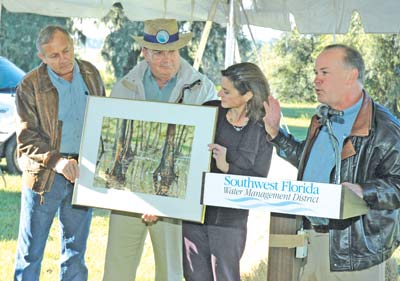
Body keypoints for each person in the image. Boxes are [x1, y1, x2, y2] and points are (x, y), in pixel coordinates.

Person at [263, 44, 400, 281]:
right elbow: (311, 163)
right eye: (316, 73)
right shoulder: (322, 117)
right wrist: (276, 134)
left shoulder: (384, 128)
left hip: (354, 251)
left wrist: (363, 190)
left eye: (324, 73)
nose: (316, 80)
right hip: (311, 240)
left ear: (351, 75)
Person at [102, 18, 217, 281]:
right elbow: (112, 142)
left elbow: (205, 147)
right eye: (158, 53)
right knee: (117, 268)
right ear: (145, 52)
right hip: (127, 194)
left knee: (171, 271)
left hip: (174, 193)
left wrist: (164, 197)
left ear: (180, 50)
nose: (167, 59)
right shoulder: (124, 86)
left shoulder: (202, 88)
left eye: (172, 51)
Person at [13, 25, 105, 281]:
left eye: (67, 51)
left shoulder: (90, 73)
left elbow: (103, 120)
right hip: (44, 178)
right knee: (30, 253)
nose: (64, 59)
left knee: (76, 251)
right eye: (54, 56)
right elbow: (26, 137)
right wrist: (58, 161)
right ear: (41, 57)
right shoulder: (29, 85)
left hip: (82, 174)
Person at [182, 62, 274, 281]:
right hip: (195, 215)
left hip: (230, 221)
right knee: (194, 277)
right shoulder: (209, 110)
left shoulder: (262, 128)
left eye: (226, 90)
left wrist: (227, 167)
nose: (219, 93)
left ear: (248, 95)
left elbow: (259, 180)